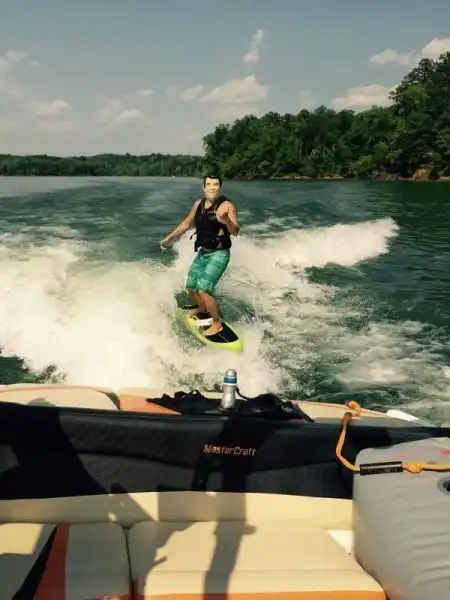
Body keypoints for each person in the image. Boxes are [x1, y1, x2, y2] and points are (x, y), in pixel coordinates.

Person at [159, 175, 240, 336]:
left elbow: (235, 231)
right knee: (190, 286)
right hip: (203, 252)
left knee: (203, 289)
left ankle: (217, 324)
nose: (212, 187)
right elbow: (186, 224)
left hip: (219, 253)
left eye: (215, 184)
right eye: (208, 184)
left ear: (220, 187)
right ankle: (203, 308)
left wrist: (226, 221)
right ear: (204, 187)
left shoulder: (227, 206)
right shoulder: (198, 204)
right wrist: (169, 237)